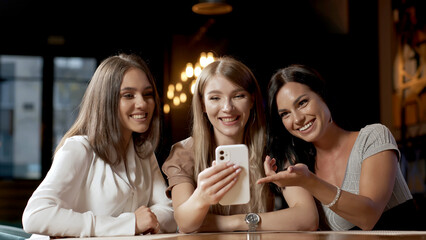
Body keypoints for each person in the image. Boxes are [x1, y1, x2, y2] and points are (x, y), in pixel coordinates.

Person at [22, 53, 176, 237]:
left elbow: (171, 214)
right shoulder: (79, 149)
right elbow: (35, 215)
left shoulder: (144, 152)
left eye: (147, 94)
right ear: (106, 101)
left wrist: (146, 221)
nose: (142, 103)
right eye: (128, 95)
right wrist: (129, 223)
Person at [257, 64, 424, 230]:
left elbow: (368, 216)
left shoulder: (373, 137)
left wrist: (309, 181)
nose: (297, 119)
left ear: (322, 95)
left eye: (302, 103)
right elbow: (305, 222)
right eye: (285, 114)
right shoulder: (301, 165)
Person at [161, 56, 319, 233]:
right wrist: (202, 196)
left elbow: (307, 218)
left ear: (252, 100)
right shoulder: (183, 152)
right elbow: (185, 224)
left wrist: (235, 222)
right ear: (203, 104)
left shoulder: (273, 147)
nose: (228, 108)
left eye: (238, 96)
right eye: (215, 98)